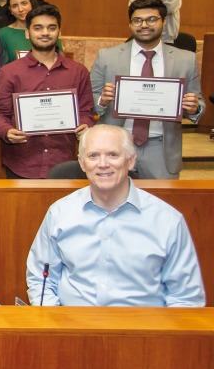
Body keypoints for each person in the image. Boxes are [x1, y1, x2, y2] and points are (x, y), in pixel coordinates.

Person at [26, 125, 204, 307]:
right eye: (93, 156)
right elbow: (41, 280)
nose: (103, 164)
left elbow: (186, 298)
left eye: (113, 155)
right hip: (73, 328)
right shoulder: (60, 213)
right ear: (81, 163)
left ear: (131, 161)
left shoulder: (167, 220)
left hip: (143, 331)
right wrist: (56, 327)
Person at [89, 0, 203, 179]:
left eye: (151, 19)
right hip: (116, 145)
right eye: (137, 20)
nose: (144, 25)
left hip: (160, 147)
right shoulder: (107, 57)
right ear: (130, 24)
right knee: (112, 202)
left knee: (160, 203)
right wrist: (102, 100)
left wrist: (194, 107)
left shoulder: (186, 60)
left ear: (163, 22)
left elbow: (199, 104)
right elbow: (89, 101)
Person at [0, 4, 95, 178]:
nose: (45, 33)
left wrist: (85, 124)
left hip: (64, 162)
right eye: (38, 28)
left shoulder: (78, 71)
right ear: (27, 33)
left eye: (51, 28)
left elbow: (86, 111)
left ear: (59, 32)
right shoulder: (9, 72)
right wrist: (7, 131)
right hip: (22, 162)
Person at [0, 0, 42, 65]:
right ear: (10, 10)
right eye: (15, 6)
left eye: (24, 3)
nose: (20, 9)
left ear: (31, 4)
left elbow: (60, 59)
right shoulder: (2, 34)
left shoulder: (45, 30)